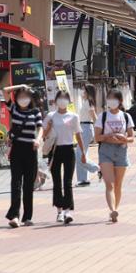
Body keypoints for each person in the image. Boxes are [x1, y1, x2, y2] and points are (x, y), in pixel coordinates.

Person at [3, 84, 43, 228]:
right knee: (16, 183)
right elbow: (5, 91)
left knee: (28, 185)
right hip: (17, 149)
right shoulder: (14, 109)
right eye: (20, 96)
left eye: (26, 96)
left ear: (31, 97)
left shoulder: (36, 112)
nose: (23, 99)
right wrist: (21, 86)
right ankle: (14, 216)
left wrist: (38, 140)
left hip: (31, 149)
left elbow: (40, 128)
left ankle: (27, 217)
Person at [43, 91, 86, 224]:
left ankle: (68, 211)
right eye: (60, 98)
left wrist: (83, 153)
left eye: (65, 98)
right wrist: (49, 127)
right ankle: (59, 211)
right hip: (55, 151)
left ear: (69, 100)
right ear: (55, 101)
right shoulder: (51, 116)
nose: (62, 101)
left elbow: (78, 135)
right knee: (57, 182)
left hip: (68, 149)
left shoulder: (73, 116)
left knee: (67, 182)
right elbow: (44, 134)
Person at [94, 89, 135, 223]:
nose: (111, 101)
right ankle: (112, 210)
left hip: (121, 151)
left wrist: (124, 138)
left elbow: (132, 137)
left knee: (118, 184)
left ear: (120, 101)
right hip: (106, 151)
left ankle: (115, 210)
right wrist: (109, 136)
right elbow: (97, 137)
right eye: (109, 98)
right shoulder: (103, 116)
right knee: (109, 184)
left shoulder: (126, 116)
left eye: (114, 98)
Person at [76, 84, 98, 187]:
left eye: (83, 90)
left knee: (79, 155)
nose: (81, 92)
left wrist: (99, 131)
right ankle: (83, 179)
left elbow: (94, 117)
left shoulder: (89, 103)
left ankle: (97, 168)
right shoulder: (86, 102)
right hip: (83, 128)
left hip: (86, 128)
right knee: (83, 154)